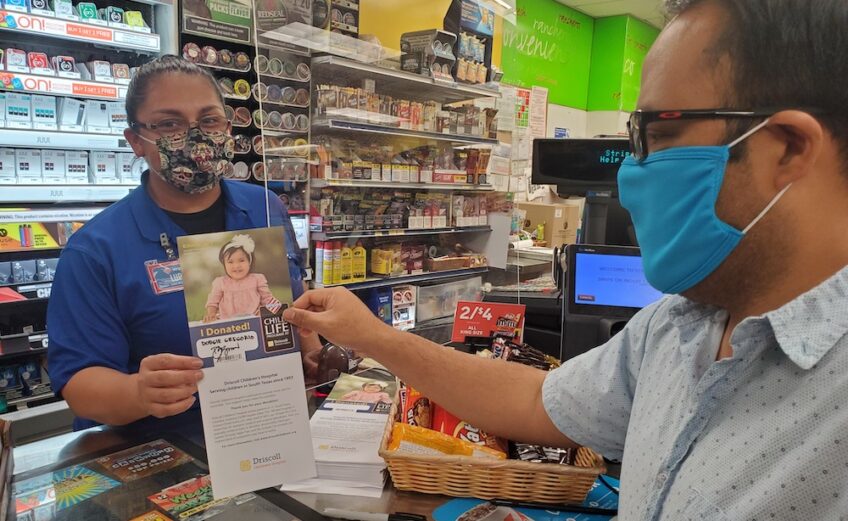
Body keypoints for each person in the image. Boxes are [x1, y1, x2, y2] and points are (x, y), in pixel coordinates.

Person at [283, 1, 848, 518]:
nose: (631, 176)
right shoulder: (677, 326)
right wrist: (372, 335)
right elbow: (533, 400)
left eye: (654, 134)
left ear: (790, 148)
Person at [47, 55, 322, 432]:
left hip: (267, 429)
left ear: (227, 127)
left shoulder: (266, 206)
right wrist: (138, 392)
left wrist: (312, 356)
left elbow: (292, 295)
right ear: (136, 141)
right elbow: (79, 383)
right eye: (169, 123)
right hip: (159, 455)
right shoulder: (94, 250)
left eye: (208, 120)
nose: (194, 136)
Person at [204, 234, 282, 323]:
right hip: (228, 321)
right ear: (224, 264)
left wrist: (268, 310)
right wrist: (211, 313)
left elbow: (267, 298)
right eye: (230, 262)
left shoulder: (257, 279)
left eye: (241, 260)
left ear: (250, 262)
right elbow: (213, 301)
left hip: (253, 319)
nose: (236, 266)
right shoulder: (221, 282)